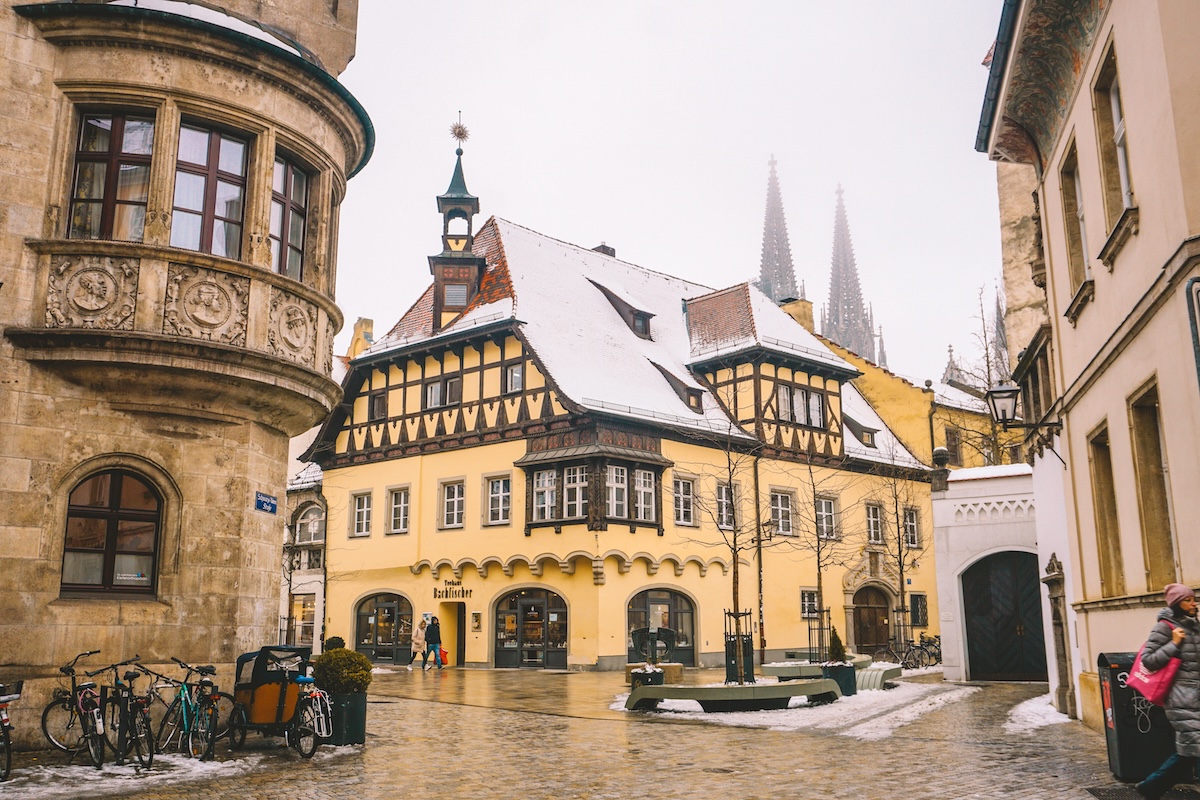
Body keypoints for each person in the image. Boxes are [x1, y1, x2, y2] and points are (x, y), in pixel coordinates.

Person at [1136, 583, 1200, 800]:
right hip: (1181, 699)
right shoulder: (1164, 627)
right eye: (1189, 600)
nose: (1194, 603)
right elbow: (1149, 661)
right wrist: (1173, 644)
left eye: (1194, 599)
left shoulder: (1193, 626)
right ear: (1177, 604)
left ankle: (1151, 786)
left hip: (1196, 697)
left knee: (1188, 752)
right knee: (1195, 746)